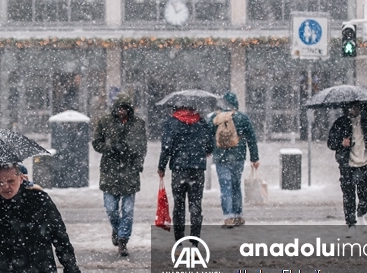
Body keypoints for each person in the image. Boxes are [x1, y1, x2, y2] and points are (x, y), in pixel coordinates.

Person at [92, 92, 147, 257]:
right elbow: (96, 143)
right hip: (110, 171)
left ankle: (123, 239)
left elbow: (142, 146)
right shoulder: (105, 122)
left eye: (125, 109)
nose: (121, 111)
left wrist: (136, 162)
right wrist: (110, 147)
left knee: (128, 211)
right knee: (111, 209)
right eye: (119, 108)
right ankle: (117, 228)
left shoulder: (138, 124)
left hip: (130, 172)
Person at [158, 104, 214, 241]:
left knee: (179, 206)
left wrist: (161, 166)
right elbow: (210, 145)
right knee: (195, 206)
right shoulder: (201, 122)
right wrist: (202, 151)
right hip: (197, 169)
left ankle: (179, 241)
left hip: (179, 169)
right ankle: (195, 242)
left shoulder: (172, 122)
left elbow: (166, 147)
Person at [327, 102, 367, 227]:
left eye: (355, 107)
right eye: (349, 107)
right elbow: (330, 142)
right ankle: (351, 223)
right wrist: (341, 142)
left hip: (366, 162)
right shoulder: (340, 123)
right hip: (347, 163)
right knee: (348, 194)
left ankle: (361, 212)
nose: (352, 110)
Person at [208, 92, 260, 228]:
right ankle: (238, 215)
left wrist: (208, 150)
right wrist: (254, 158)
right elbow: (252, 138)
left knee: (226, 187)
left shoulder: (215, 117)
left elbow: (207, 135)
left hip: (221, 158)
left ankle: (228, 217)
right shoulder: (242, 118)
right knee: (236, 186)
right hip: (238, 158)